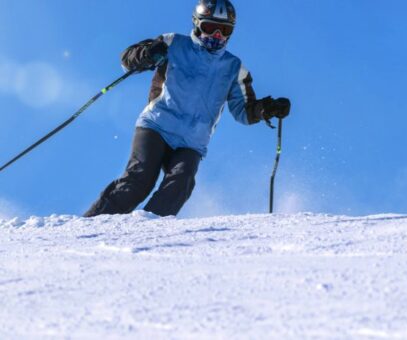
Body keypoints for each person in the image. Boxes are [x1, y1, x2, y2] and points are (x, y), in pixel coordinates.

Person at [84, 0, 290, 217]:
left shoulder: (234, 68)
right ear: (197, 24)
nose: (217, 36)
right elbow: (128, 60)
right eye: (210, 28)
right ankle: (92, 225)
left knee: (181, 183)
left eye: (225, 30)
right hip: (157, 125)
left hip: (192, 141)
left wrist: (267, 109)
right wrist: (147, 53)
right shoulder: (173, 43)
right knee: (139, 180)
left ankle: (146, 230)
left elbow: (244, 112)